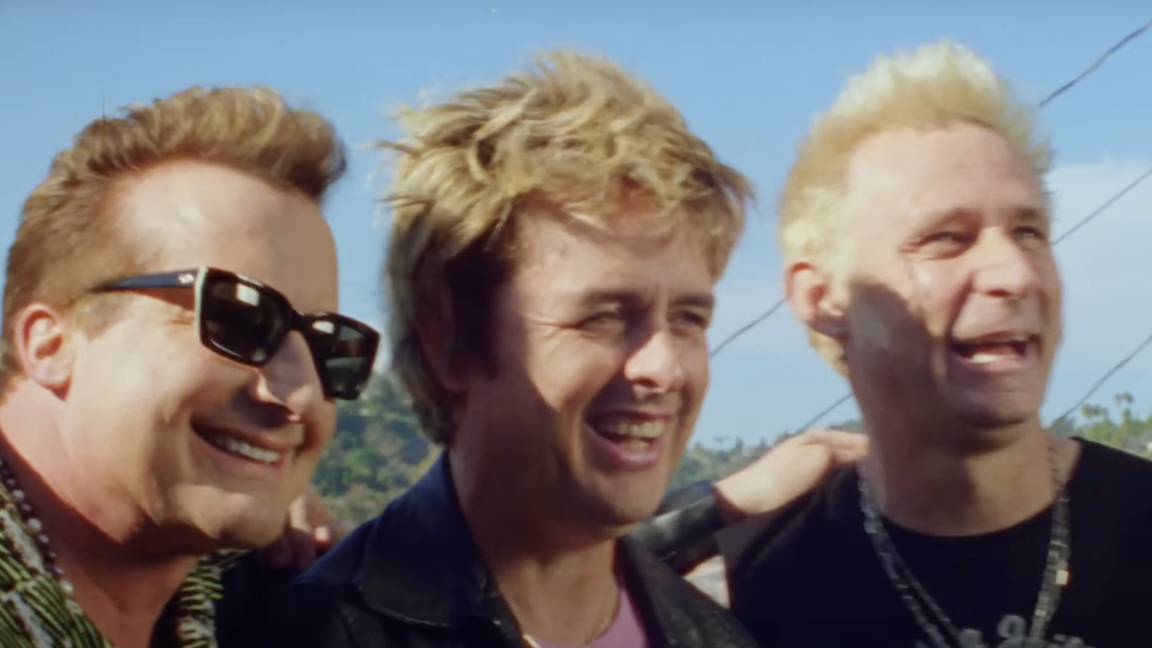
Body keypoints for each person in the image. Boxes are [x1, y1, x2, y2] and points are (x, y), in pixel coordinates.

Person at [263, 49, 772, 648]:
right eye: (605, 317)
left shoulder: (717, 637)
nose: (663, 367)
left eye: (688, 320)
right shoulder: (318, 633)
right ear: (450, 344)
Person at [678, 40, 1152, 647]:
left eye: (1029, 232)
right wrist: (708, 509)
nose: (1014, 274)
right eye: (947, 238)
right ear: (822, 298)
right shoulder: (743, 588)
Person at [0, 86, 380, 648]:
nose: (302, 396)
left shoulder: (271, 603)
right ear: (51, 344)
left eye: (329, 346)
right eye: (239, 319)